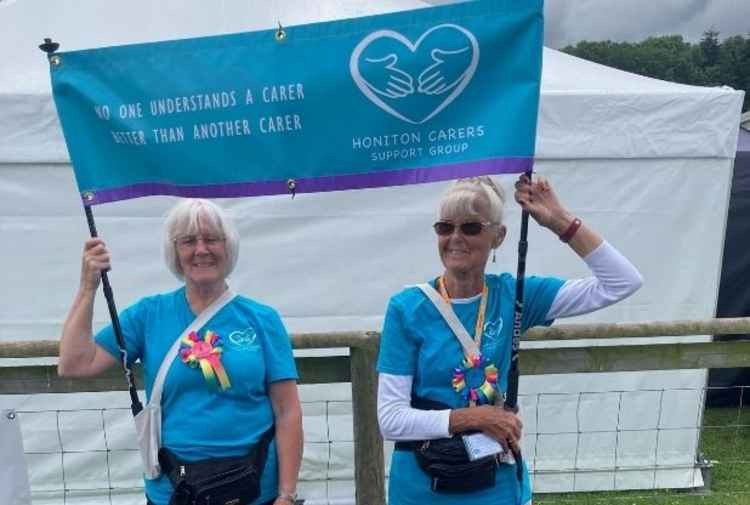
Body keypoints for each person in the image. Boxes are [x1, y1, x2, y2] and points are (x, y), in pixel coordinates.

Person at [377, 175, 643, 505]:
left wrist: (560, 221)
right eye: (445, 227)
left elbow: (622, 282)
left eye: (471, 228)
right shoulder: (407, 308)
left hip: (496, 481)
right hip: (421, 484)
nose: (455, 238)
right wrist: (475, 418)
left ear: (498, 237)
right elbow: (390, 420)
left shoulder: (515, 294)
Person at [58, 199, 303, 505]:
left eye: (212, 239)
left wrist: (286, 494)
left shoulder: (262, 319)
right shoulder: (149, 315)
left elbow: (287, 411)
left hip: (254, 491)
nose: (201, 249)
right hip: (175, 492)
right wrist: (87, 287)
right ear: (175, 252)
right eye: (188, 241)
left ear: (229, 247)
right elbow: (74, 363)